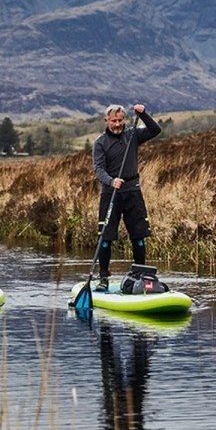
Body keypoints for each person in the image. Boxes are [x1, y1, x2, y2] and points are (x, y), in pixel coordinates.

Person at [92, 103, 161, 291]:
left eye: (120, 120)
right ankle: (103, 277)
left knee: (139, 236)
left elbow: (155, 130)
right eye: (113, 121)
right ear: (107, 121)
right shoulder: (100, 143)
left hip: (132, 191)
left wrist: (143, 114)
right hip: (111, 193)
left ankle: (141, 275)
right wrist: (111, 180)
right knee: (105, 238)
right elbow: (98, 169)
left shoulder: (133, 135)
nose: (117, 124)